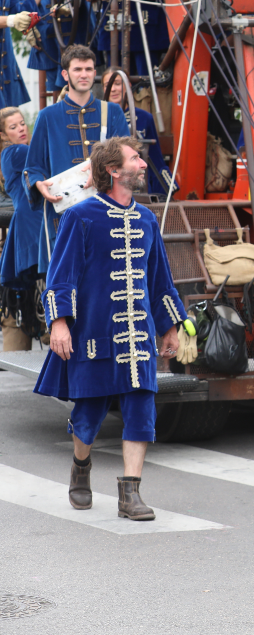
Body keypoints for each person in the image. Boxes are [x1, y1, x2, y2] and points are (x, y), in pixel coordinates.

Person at [33, 136, 186, 519]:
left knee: (141, 412)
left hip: (139, 339)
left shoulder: (147, 219)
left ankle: (130, 494)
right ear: (112, 170)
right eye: (136, 159)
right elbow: (61, 276)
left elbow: (160, 280)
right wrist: (60, 323)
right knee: (88, 416)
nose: (143, 164)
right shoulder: (80, 216)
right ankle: (81, 466)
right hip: (93, 334)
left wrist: (171, 326)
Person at [24, 45, 130, 272]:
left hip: (107, 211)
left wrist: (102, 170)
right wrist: (39, 184)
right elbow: (33, 167)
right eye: (78, 69)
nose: (84, 74)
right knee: (64, 281)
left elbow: (127, 158)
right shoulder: (47, 116)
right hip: (63, 214)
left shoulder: (112, 112)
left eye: (89, 69)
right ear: (65, 74)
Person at [0, 108, 39, 351]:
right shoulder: (16, 151)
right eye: (13, 127)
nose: (21, 129)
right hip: (30, 227)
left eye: (22, 123)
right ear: (3, 134)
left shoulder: (16, 153)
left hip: (31, 225)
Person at [103, 72, 174, 195]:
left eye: (118, 84)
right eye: (107, 85)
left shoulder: (144, 117)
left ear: (128, 85)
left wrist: (165, 189)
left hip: (138, 184)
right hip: (107, 183)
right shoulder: (99, 117)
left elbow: (155, 157)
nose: (113, 89)